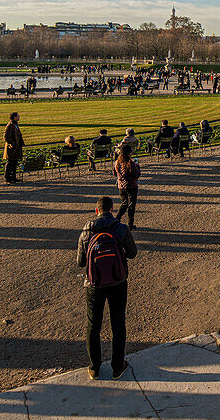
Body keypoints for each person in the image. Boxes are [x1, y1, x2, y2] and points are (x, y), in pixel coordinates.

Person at [76, 196, 137, 380]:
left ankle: (94, 367)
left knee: (93, 324)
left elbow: (80, 262)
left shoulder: (88, 229)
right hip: (118, 280)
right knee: (118, 323)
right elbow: (133, 254)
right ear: (112, 209)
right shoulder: (121, 228)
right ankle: (117, 366)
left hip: (94, 283)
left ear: (97, 211)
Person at [113, 144, 140, 229]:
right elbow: (137, 174)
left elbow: (115, 173)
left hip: (121, 186)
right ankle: (130, 224)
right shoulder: (130, 163)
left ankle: (117, 219)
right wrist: (137, 166)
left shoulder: (117, 162)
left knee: (124, 204)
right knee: (131, 205)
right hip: (131, 186)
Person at [3, 112, 24, 183]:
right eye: (18, 116)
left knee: (14, 162)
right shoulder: (10, 126)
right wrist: (12, 143)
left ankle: (13, 177)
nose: (19, 117)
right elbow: (5, 137)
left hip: (15, 148)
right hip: (11, 148)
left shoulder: (15, 125)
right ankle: (7, 178)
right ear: (14, 117)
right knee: (10, 163)